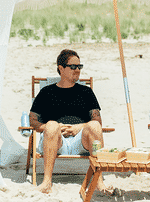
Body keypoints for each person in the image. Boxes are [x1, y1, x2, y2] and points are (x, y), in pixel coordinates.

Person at [28, 49, 104, 194]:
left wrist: (79, 127)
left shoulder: (86, 92)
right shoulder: (46, 92)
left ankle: (99, 181)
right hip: (55, 141)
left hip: (80, 140)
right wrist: (53, 127)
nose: (77, 70)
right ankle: (46, 182)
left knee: (94, 126)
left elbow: (97, 120)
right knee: (51, 125)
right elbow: (32, 120)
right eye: (73, 67)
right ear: (61, 68)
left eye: (79, 67)